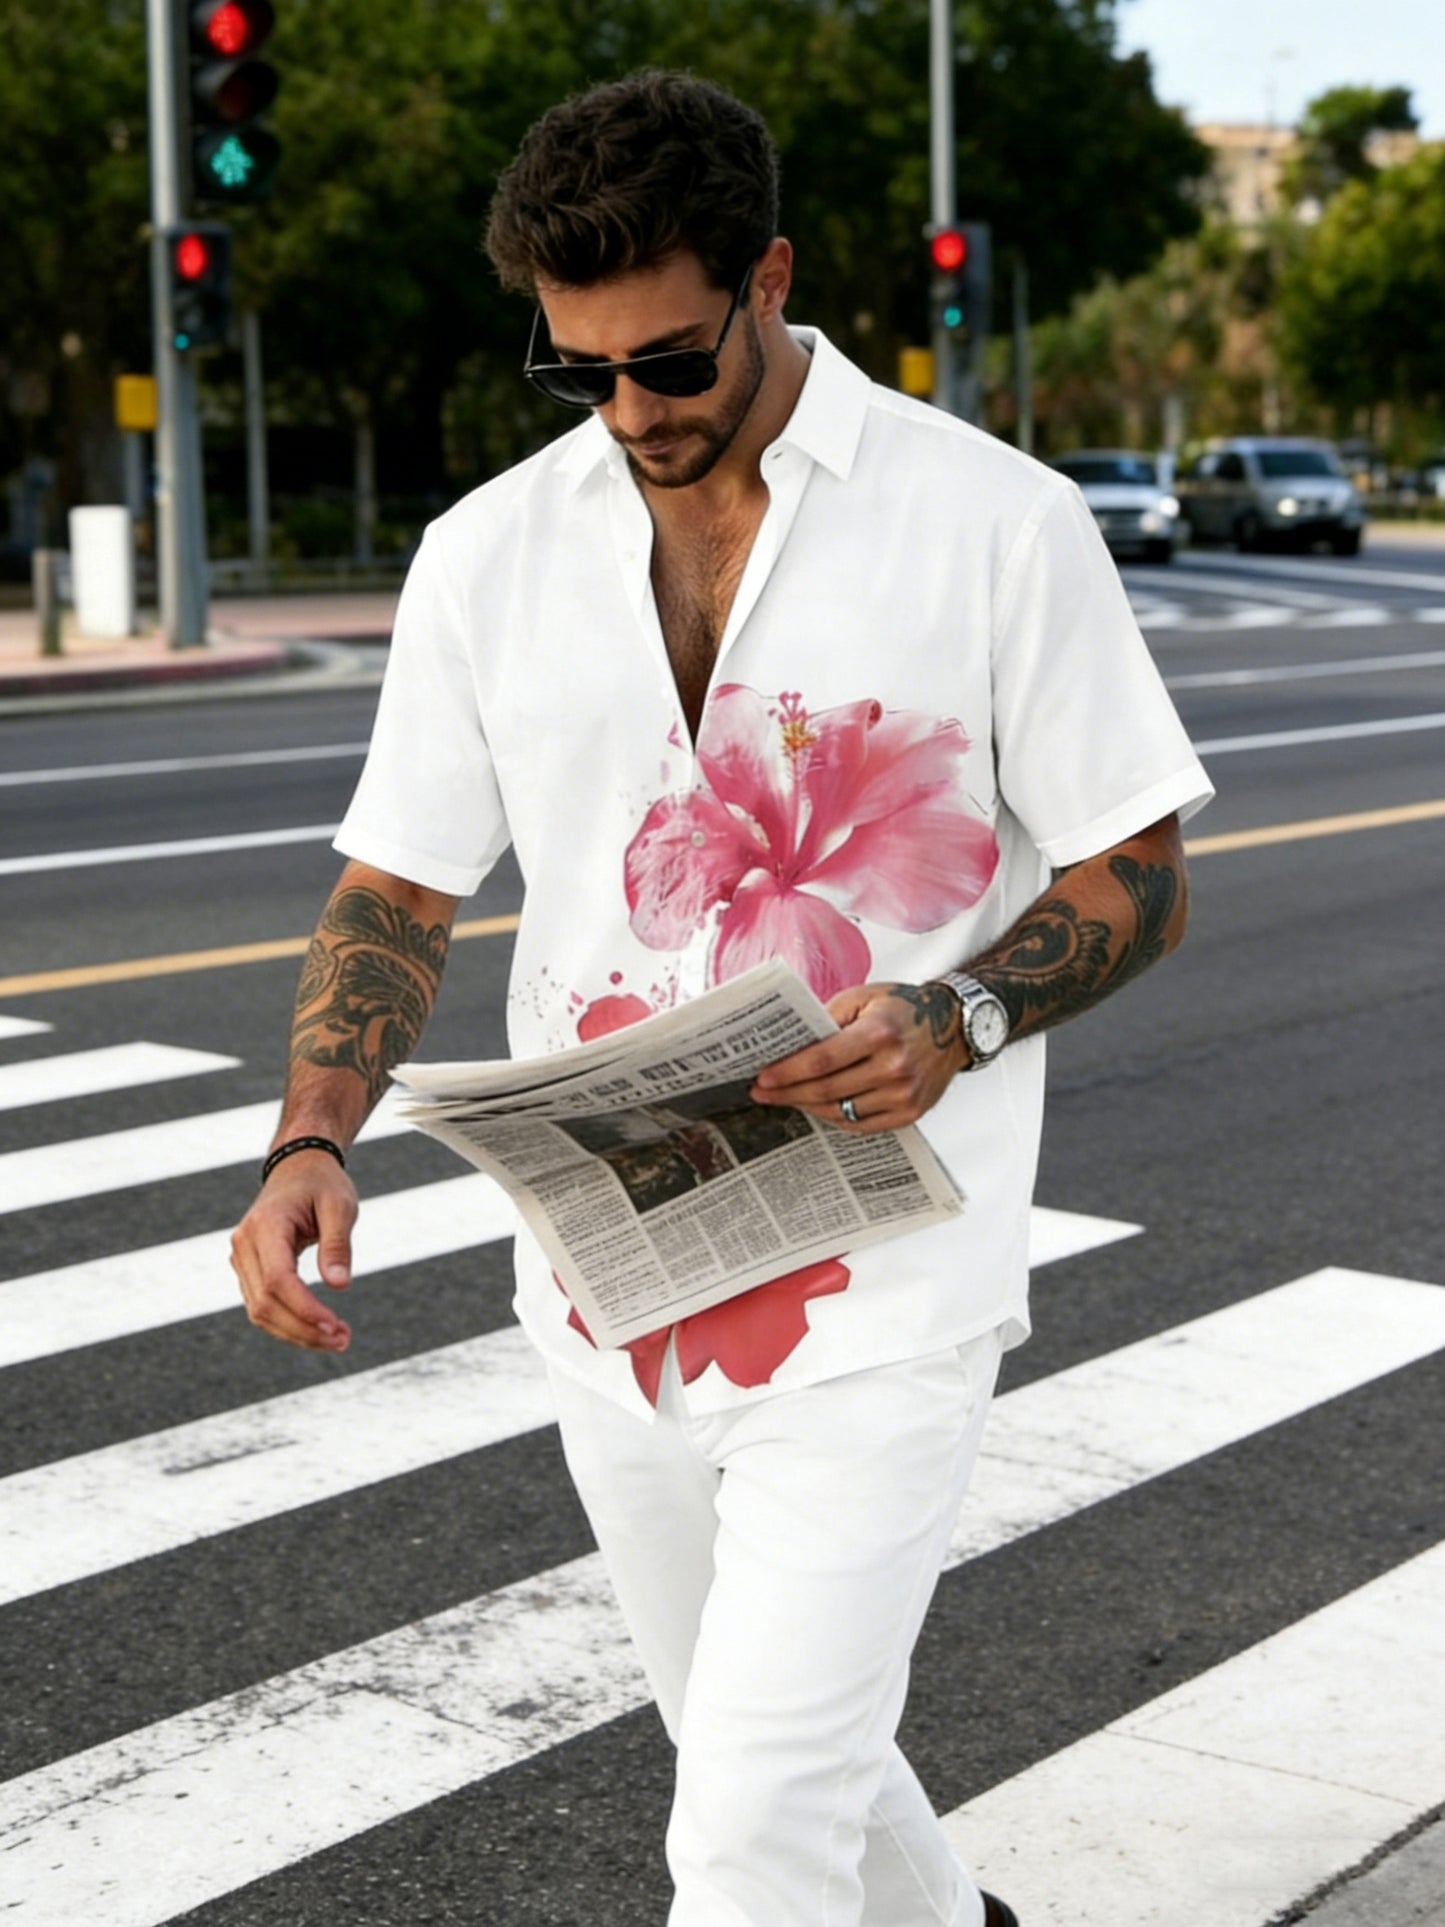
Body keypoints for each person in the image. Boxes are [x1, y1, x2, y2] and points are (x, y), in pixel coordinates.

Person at [231, 69, 1213, 1927]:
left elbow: (1133, 873)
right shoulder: (488, 557)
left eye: (669, 364)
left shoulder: (992, 524)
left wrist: (958, 1016)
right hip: (611, 1277)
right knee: (773, 1769)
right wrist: (309, 1138)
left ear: (768, 280)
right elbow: (398, 886)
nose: (628, 414)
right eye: (574, 371)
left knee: (745, 1842)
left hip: (882, 1277)